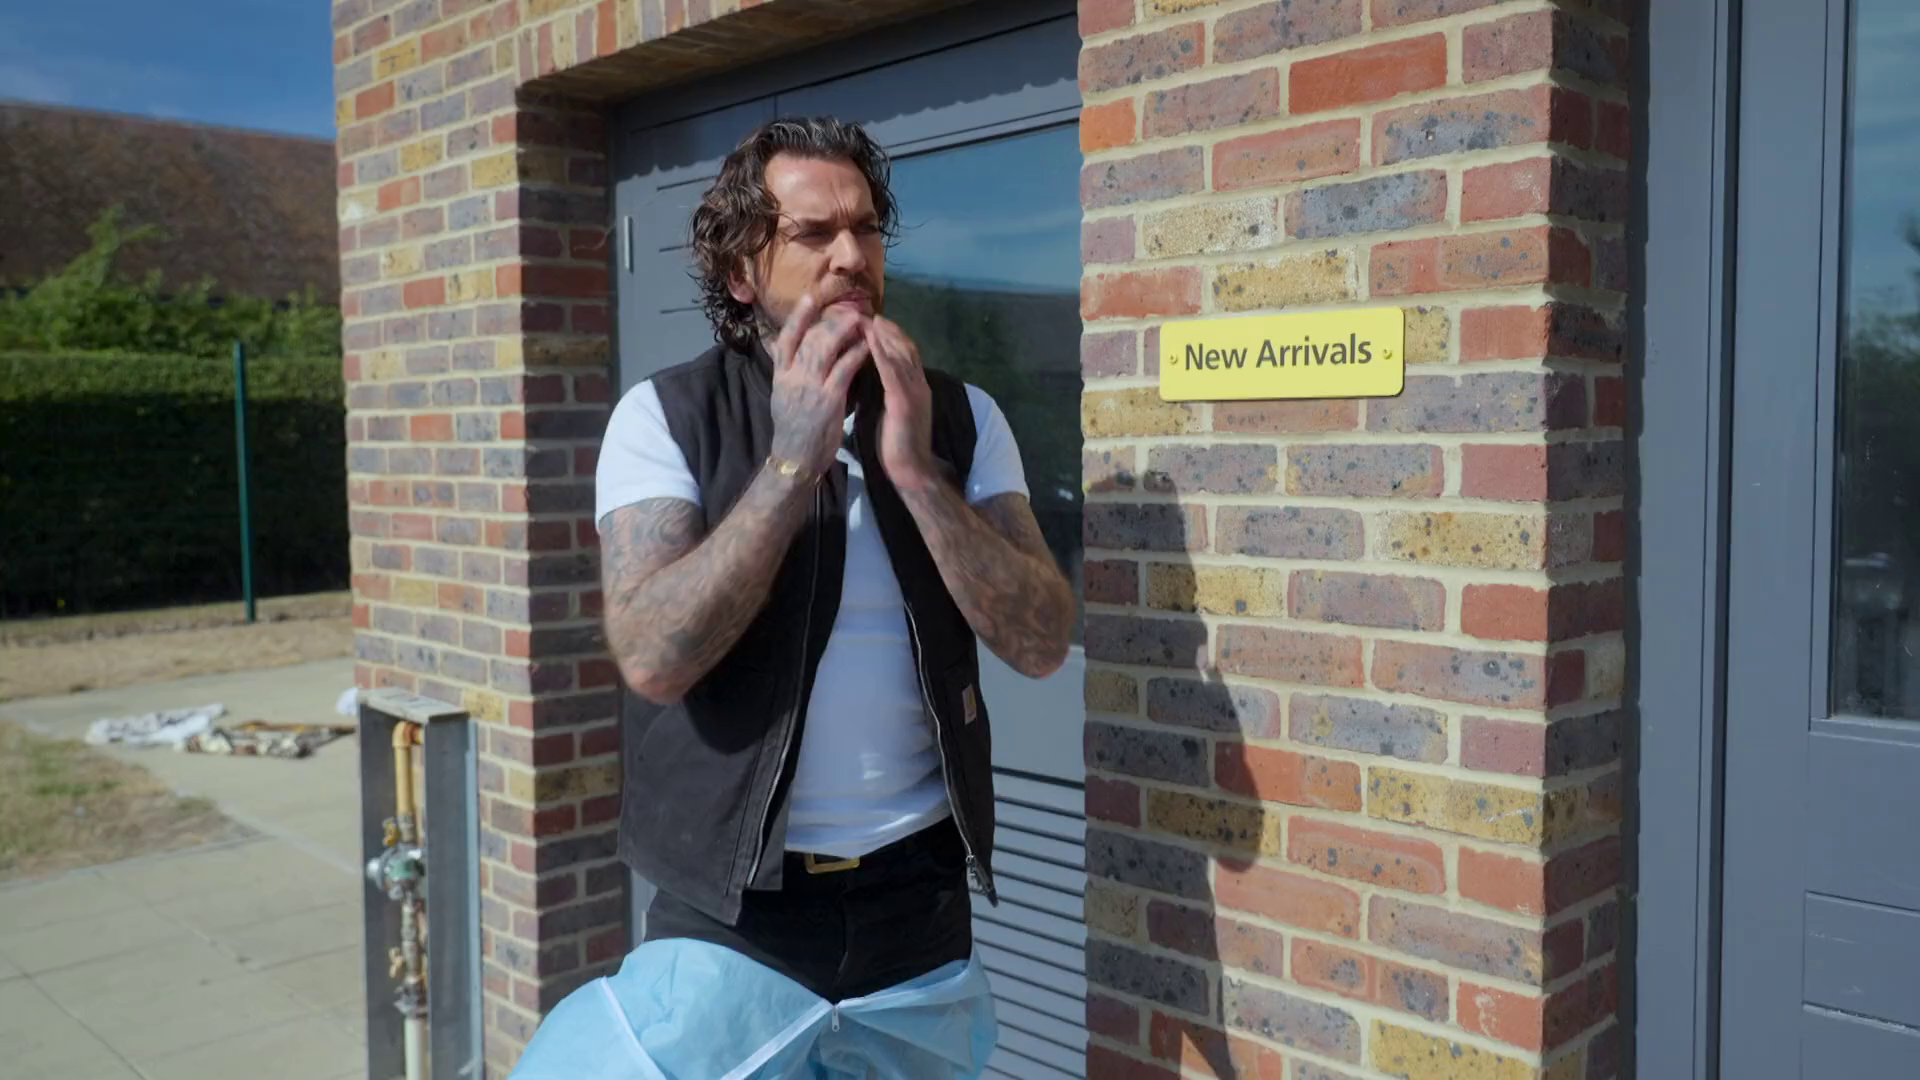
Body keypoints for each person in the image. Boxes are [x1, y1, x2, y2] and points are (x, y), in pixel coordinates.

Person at [592, 115, 1076, 1006]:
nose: (852, 256)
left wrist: (916, 476)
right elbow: (655, 657)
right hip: (735, 910)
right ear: (740, 274)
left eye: (866, 228)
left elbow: (1042, 643)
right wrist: (790, 466)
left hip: (920, 897)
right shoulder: (666, 418)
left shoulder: (963, 417)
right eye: (814, 234)